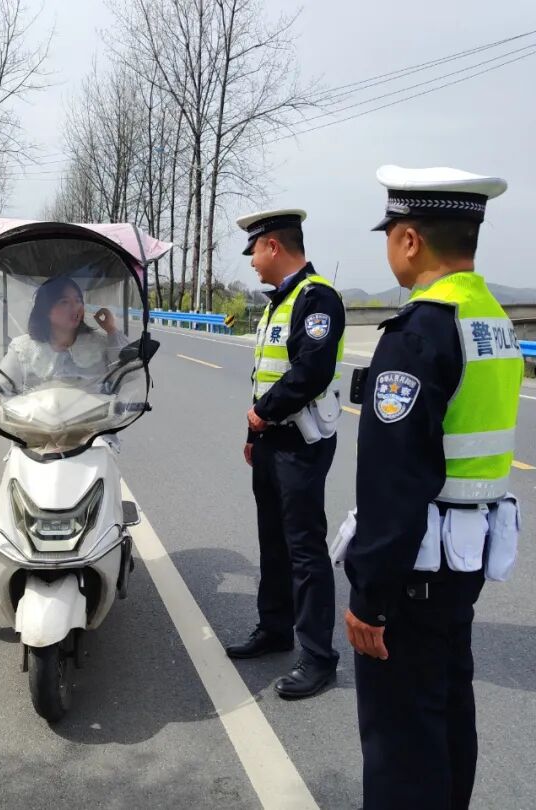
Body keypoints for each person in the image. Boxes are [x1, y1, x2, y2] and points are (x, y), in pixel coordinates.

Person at [343, 166, 524, 809]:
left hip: (415, 570)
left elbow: (396, 484)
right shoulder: (491, 318)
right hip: (464, 559)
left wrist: (369, 594)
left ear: (411, 240)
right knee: (447, 714)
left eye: (390, 231)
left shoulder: (421, 332)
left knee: (400, 742)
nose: (388, 244)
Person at [0, 275, 126, 647]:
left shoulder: (97, 344)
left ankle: (110, 558)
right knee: (0, 515)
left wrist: (112, 332)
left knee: (107, 510)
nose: (75, 307)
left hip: (90, 439)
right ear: (46, 310)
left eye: (77, 300)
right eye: (64, 301)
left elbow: (127, 369)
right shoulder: (25, 348)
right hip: (33, 440)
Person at [224, 209, 346, 700]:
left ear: (273, 246)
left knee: (304, 550)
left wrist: (262, 415)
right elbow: (269, 373)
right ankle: (274, 629)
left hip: (301, 442)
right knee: (272, 541)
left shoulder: (317, 299)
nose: (251, 262)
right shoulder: (279, 302)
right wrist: (257, 434)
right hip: (273, 439)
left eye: (254, 251)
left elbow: (311, 372)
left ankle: (318, 657)